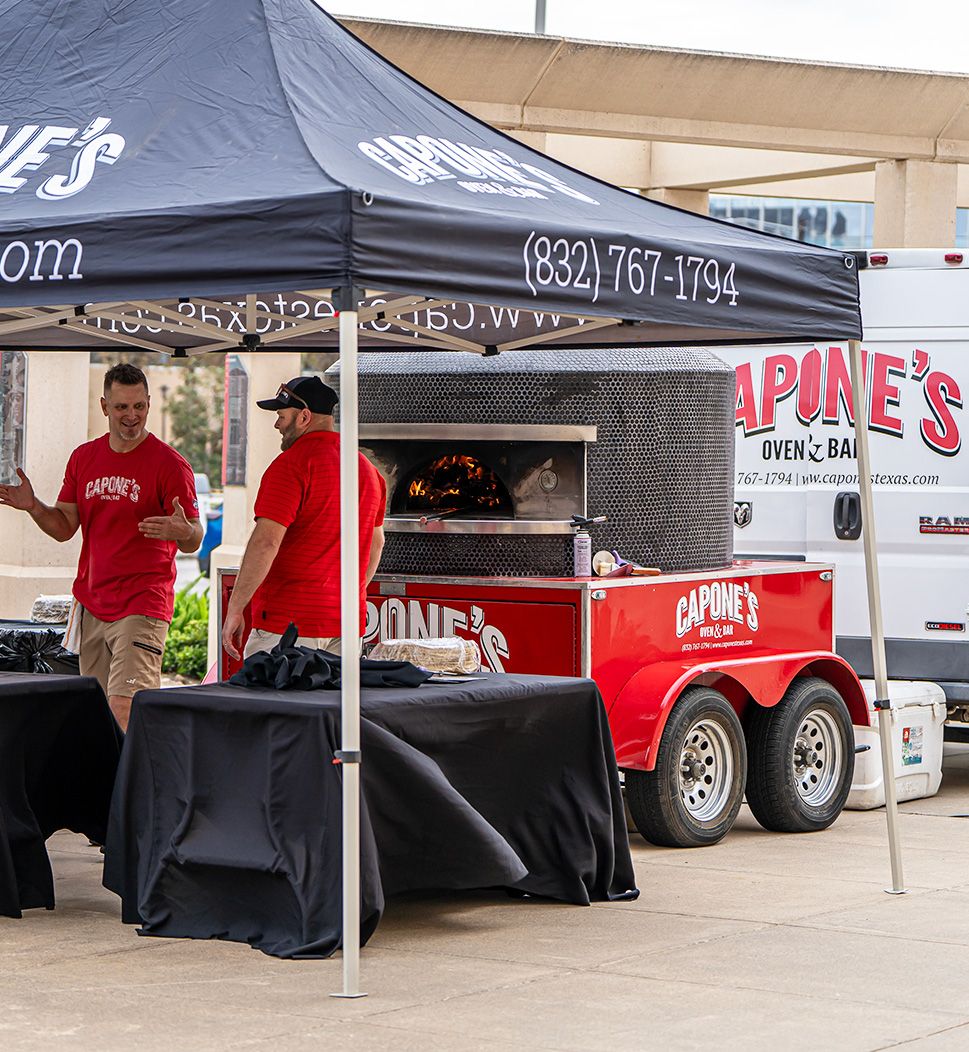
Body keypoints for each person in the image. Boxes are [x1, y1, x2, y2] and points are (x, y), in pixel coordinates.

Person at [0, 363, 202, 730]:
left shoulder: (170, 465)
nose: (131, 416)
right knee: (95, 713)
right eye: (122, 407)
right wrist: (33, 507)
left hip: (143, 602)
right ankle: (101, 787)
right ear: (105, 405)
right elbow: (64, 527)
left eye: (139, 406)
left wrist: (182, 530)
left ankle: (132, 787)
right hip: (93, 603)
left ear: (149, 404)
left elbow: (195, 538)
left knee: (126, 705)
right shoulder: (84, 458)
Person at [221, 375, 386, 661]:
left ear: (304, 417)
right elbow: (376, 545)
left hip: (286, 626)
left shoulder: (290, 466)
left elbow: (266, 543)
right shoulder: (368, 471)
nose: (277, 425)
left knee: (271, 706)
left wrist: (236, 607)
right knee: (332, 707)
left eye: (281, 416)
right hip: (346, 625)